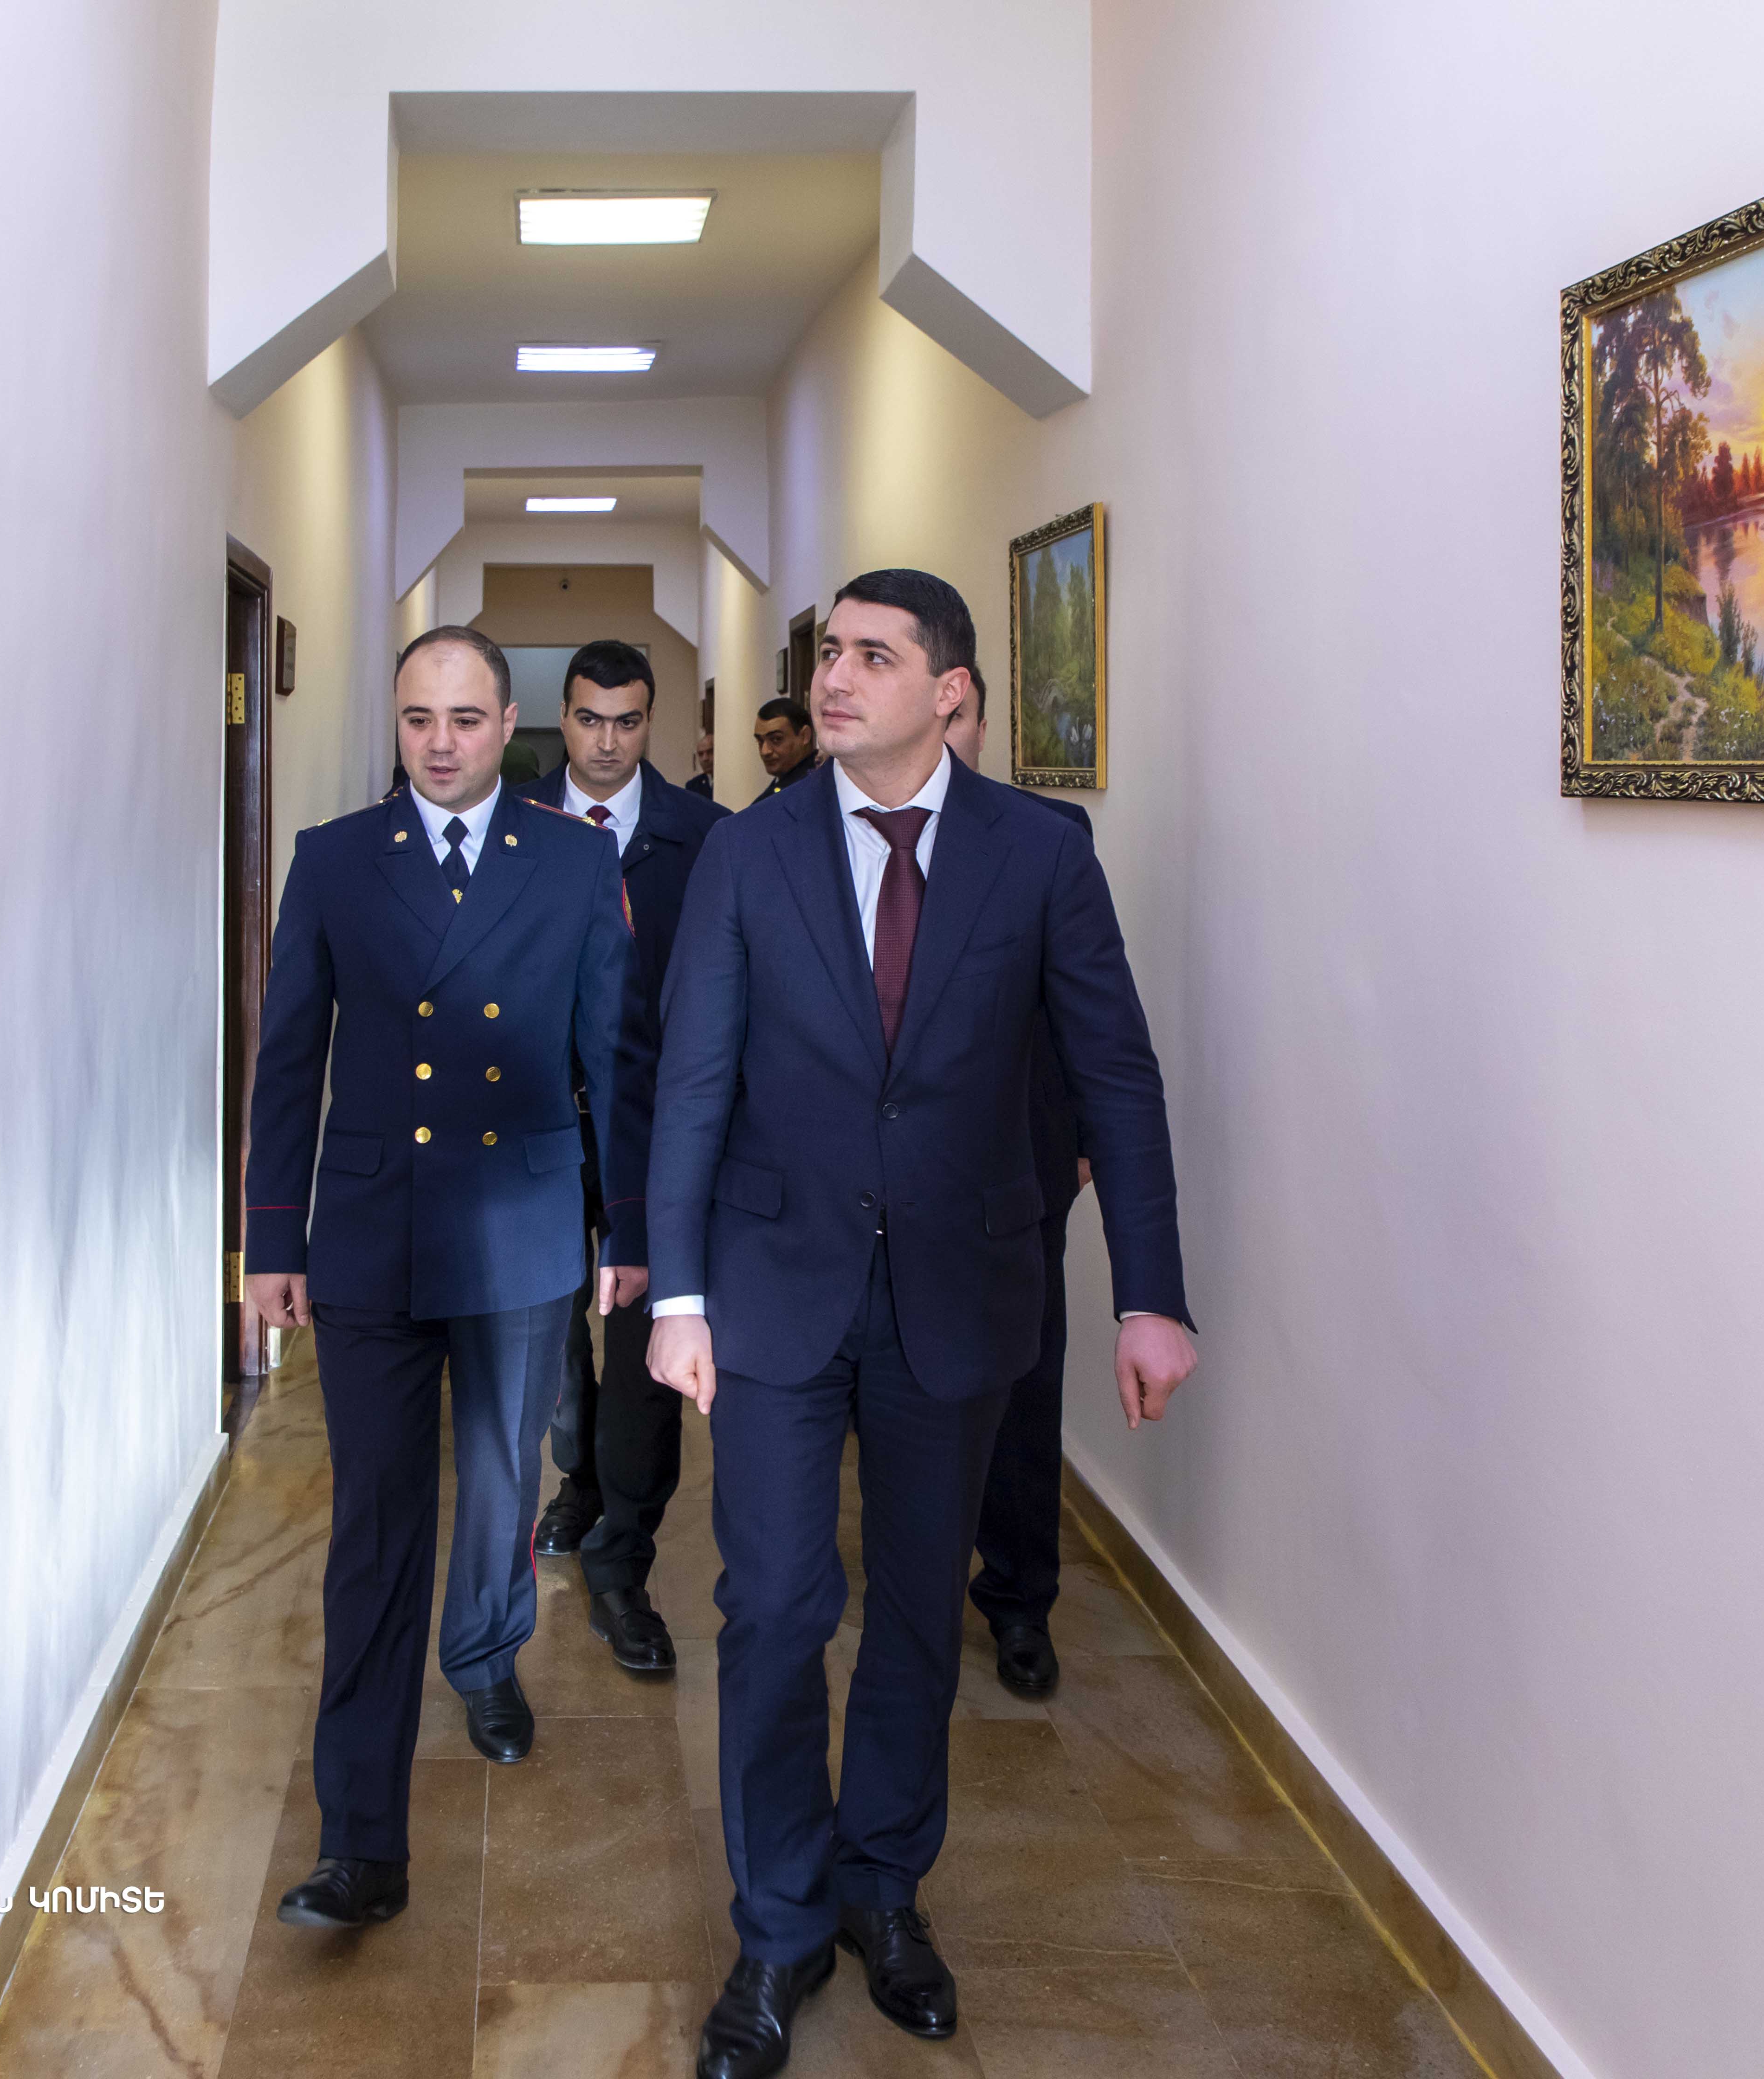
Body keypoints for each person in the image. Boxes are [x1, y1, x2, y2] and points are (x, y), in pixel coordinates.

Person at [642, 570, 1197, 2078]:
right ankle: (777, 1928)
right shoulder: (751, 852)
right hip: (774, 1286)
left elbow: (1117, 1073)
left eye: (874, 656)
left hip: (960, 1290)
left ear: (949, 691)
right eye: (831, 651)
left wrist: (1149, 1290)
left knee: (912, 1612)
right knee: (774, 1608)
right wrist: (678, 1292)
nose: (836, 676)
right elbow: (694, 1076)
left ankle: (882, 1887)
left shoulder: (1040, 853)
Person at [244, 625, 638, 1933]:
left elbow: (611, 1056)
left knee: (503, 1478)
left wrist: (630, 1230)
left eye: (466, 719)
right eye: (419, 718)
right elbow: (289, 1055)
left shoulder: (573, 861)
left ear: (510, 724)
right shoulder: (335, 858)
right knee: (374, 1522)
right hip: (371, 1231)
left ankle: (484, 1655)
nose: (441, 743)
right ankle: (360, 1840)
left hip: (519, 1223)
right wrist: (271, 1238)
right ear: (397, 723)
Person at [522, 638, 730, 1672]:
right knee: (556, 1324)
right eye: (589, 719)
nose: (607, 742)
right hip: (540, 1124)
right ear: (561, 716)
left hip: (660, 1130)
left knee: (648, 1333)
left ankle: (624, 1560)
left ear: (654, 722)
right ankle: (578, 1480)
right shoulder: (516, 824)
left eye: (629, 721)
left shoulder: (707, 838)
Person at [944, 667, 1090, 1700]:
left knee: (1026, 1389)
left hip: (1021, 1163)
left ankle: (1020, 1599)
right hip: (878, 1173)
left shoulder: (1051, 836)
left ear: (985, 728)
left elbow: (1083, 1005)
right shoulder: (817, 838)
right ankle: (911, 1564)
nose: (941, 736)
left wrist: (1077, 1139)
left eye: (958, 720)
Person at [751, 695, 820, 799]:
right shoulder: (784, 784)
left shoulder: (813, 786)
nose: (765, 751)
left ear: (805, 736)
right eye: (760, 741)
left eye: (776, 739)